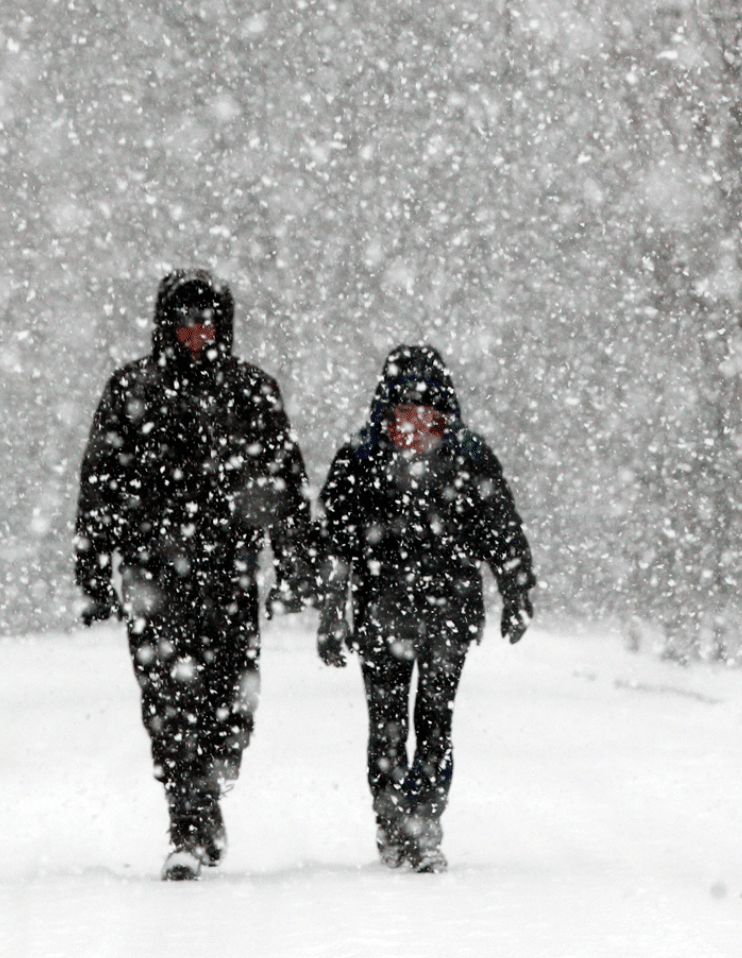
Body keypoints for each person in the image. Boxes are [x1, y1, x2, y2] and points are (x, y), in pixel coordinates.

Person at [75, 269, 326, 881]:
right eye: (184, 320)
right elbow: (100, 485)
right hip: (151, 575)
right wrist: (93, 571)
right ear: (166, 323)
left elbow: (286, 489)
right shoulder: (132, 390)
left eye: (206, 321)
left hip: (227, 575)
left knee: (231, 699)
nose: (195, 332)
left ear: (224, 325)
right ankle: (187, 817)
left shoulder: (251, 392)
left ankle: (212, 783)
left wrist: (296, 567)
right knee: (165, 698)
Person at [316, 344, 537, 873]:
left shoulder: (470, 459)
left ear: (444, 414)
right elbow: (334, 543)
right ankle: (394, 823)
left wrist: (516, 591)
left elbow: (501, 529)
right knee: (387, 722)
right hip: (381, 614)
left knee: (435, 719)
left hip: (449, 614)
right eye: (402, 412)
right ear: (385, 413)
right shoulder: (359, 460)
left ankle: (425, 822)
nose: (414, 424)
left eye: (426, 413)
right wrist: (331, 612)